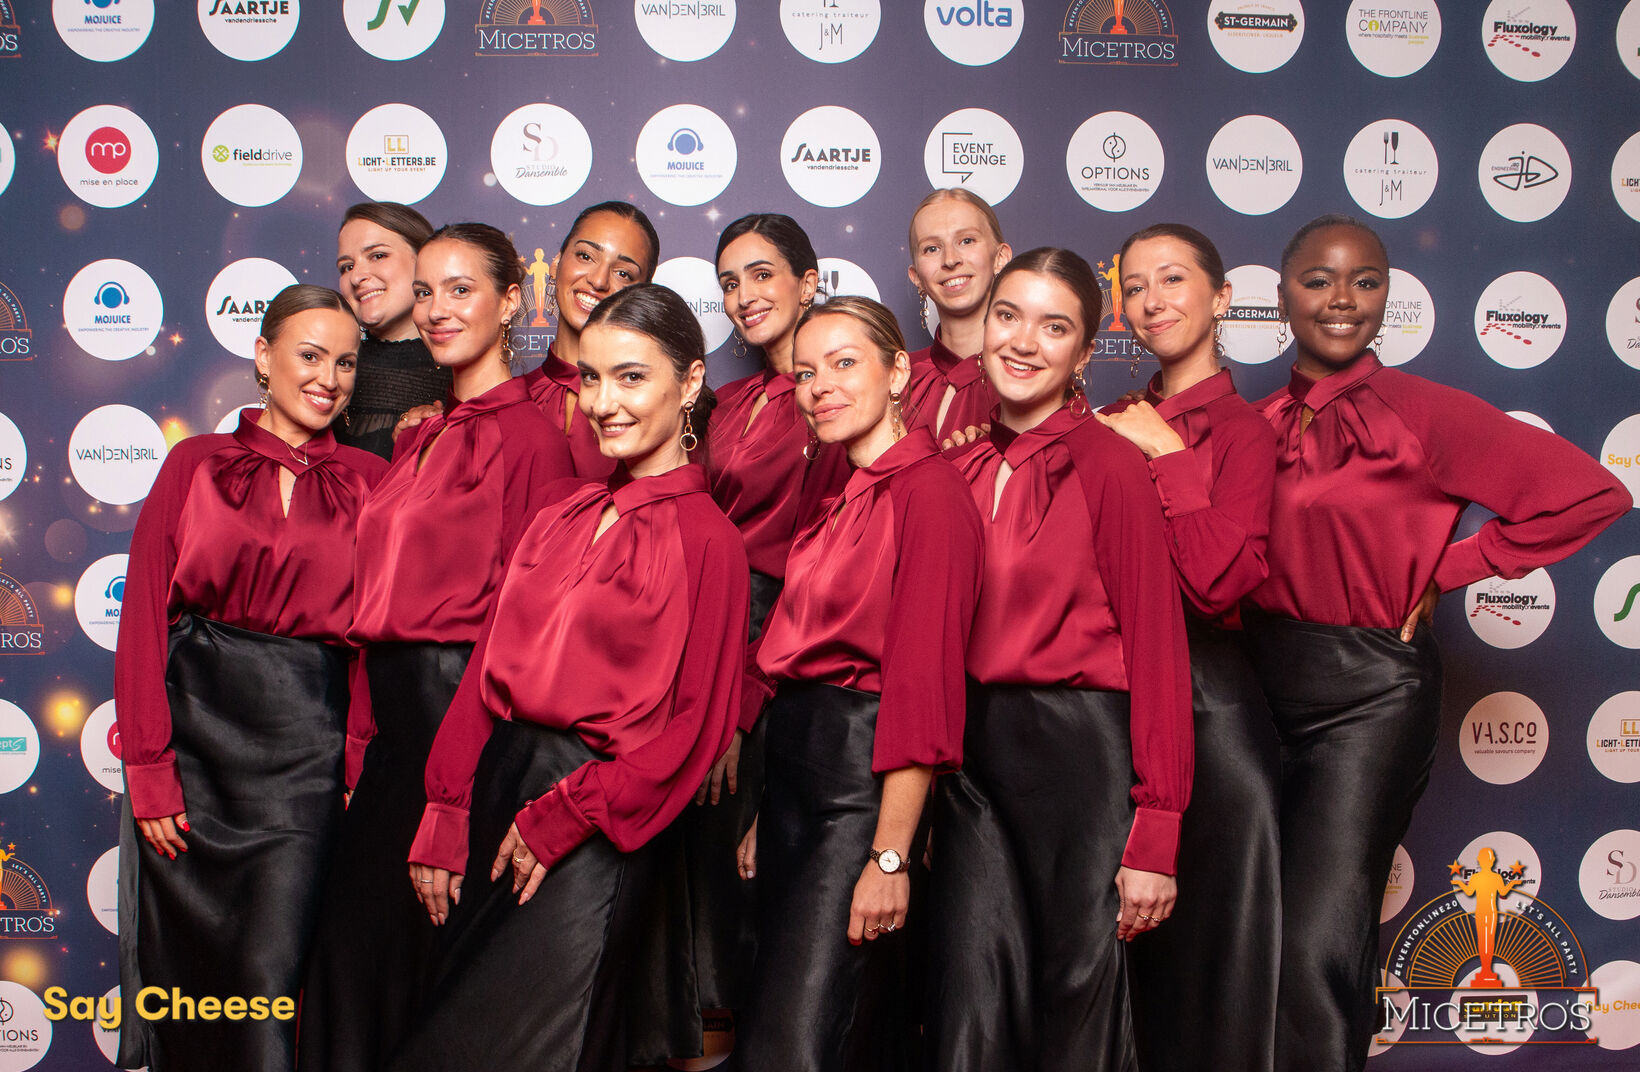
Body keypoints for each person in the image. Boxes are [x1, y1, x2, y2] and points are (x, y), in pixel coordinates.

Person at [1241, 214, 1632, 1072]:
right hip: (1255, 693)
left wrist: (1449, 567)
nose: (1342, 299)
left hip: (1368, 696)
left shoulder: (1421, 413)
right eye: (1318, 280)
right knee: (1248, 933)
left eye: (1366, 281)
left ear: (1387, 295)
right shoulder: (1255, 422)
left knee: (1315, 937)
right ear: (1283, 295)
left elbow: (1591, 494)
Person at [394, 283, 747, 1072]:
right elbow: (485, 673)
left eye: (631, 377)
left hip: (594, 821)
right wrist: (445, 807)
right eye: (591, 378)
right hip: (498, 791)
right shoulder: (558, 511)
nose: (604, 403)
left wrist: (568, 813)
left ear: (689, 382)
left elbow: (694, 729)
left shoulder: (709, 539)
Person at [299, 224, 573, 1072]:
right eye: (425, 291)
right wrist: (359, 745)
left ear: (511, 302)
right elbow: (375, 605)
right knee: (352, 976)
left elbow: (520, 626)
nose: (437, 310)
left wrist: (450, 801)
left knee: (419, 979)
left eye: (461, 290)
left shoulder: (534, 440)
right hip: (394, 733)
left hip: (464, 728)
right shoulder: (420, 435)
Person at [928, 248, 1192, 1072]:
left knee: (1077, 991)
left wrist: (1157, 827)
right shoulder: (953, 467)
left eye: (1054, 327)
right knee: (969, 988)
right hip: (970, 759)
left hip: (1079, 754)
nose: (1022, 342)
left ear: (1083, 352)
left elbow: (1158, 646)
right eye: (1008, 316)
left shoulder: (1111, 465)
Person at [114, 285, 387, 1072]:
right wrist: (150, 770)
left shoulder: (370, 480)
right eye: (310, 356)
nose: (328, 379)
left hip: (304, 750)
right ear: (263, 356)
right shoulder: (193, 464)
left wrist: (358, 758)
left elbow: (374, 642)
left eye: (345, 363)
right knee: (195, 980)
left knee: (271, 975)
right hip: (193, 745)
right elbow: (143, 620)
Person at [732, 296, 983, 1072]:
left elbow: (921, 687)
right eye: (807, 373)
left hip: (860, 796)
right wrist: (766, 812)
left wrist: (889, 858)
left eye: (845, 364)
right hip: (796, 782)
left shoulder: (930, 492)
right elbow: (798, 660)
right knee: (796, 1027)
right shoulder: (838, 493)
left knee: (800, 1039)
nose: (821, 388)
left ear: (898, 371)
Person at [628, 213, 851, 1065]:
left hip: (772, 660)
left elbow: (816, 575)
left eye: (762, 274)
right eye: (729, 281)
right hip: (702, 640)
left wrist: (741, 701)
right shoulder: (736, 400)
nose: (744, 296)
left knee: (747, 880)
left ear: (809, 281)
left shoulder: (830, 404)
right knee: (690, 876)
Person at [1096, 223, 1281, 1072]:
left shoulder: (1245, 433)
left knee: (1212, 965)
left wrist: (1169, 457)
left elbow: (1217, 584)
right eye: (1134, 286)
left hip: (1211, 714)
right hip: (1115, 711)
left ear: (1222, 297)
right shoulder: (1105, 423)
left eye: (1172, 279)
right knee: (1120, 961)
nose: (1152, 300)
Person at [520, 200, 661, 478]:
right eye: (585, 256)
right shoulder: (507, 400)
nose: (598, 281)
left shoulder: (654, 411)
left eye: (623, 273)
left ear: (642, 294)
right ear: (556, 264)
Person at [334, 202, 451, 459]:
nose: (356, 277)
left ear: (423, 260)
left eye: (377, 256)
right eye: (347, 267)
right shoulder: (330, 368)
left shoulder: (462, 366)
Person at [902, 188, 1010, 443]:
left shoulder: (1034, 371)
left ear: (1000, 257)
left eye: (967, 241)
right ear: (916, 277)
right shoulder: (897, 380)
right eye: (931, 248)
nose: (950, 260)